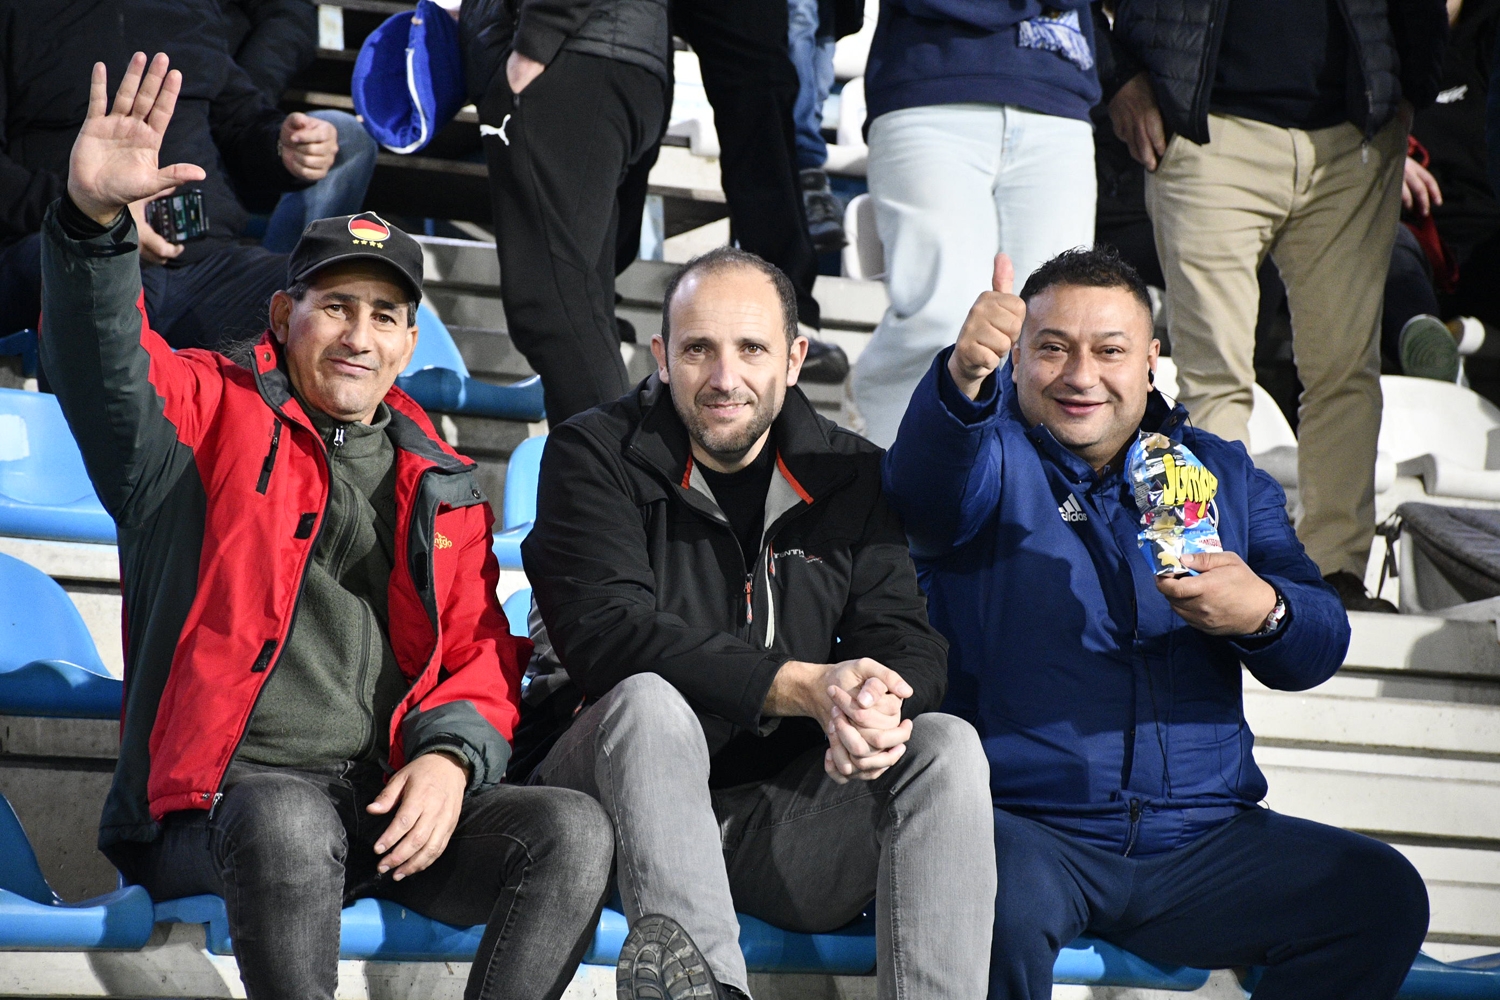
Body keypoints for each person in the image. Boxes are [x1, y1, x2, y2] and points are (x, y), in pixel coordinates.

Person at [41, 53, 614, 1000]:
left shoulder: (441, 476)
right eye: (336, 305)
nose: (360, 335)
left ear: (409, 339)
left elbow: (477, 649)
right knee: (287, 820)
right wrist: (93, 227)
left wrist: (447, 756)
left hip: (372, 803)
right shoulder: (203, 412)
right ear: (283, 313)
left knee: (569, 833)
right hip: (215, 807)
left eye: (386, 315)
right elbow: (107, 373)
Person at [884, 246, 1430, 1000]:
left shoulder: (1221, 472)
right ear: (1015, 357)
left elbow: (1317, 640)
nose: (1081, 376)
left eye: (1109, 351)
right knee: (987, 898)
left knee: (1379, 895)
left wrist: (1263, 613)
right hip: (1029, 831)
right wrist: (959, 381)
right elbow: (923, 491)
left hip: (1202, 843)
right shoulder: (990, 455)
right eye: (1051, 349)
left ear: (1150, 361)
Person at [517, 246, 996, 1000]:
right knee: (649, 704)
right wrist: (803, 686)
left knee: (945, 746)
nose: (724, 377)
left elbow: (907, 637)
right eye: (698, 349)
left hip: (770, 825)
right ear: (661, 356)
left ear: (796, 358)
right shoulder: (591, 453)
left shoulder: (852, 473)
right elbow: (609, 635)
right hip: (603, 814)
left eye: (751, 349)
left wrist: (871, 702)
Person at [1105, 0, 1447, 611]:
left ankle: (1336, 575)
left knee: (1346, 372)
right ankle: (1209, 569)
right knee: (1215, 379)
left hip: (1354, 134)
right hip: (1205, 125)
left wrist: (1412, 85)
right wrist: (1120, 75)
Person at [0, 0, 373, 350]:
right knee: (82, 276)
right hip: (65, 250)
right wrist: (89, 212)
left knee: (326, 303)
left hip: (205, 263)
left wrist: (281, 147)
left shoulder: (189, 8)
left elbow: (237, 119)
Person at [849, 0, 1100, 448]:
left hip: (1060, 104)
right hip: (929, 91)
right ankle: (892, 481)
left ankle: (1033, 498)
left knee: (1056, 328)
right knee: (942, 319)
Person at [465, 0, 670, 424]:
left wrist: (532, 47)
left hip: (571, 54)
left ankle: (612, 481)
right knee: (579, 304)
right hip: (610, 59)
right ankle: (604, 478)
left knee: (549, 305)